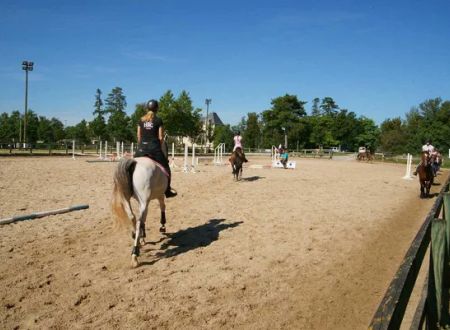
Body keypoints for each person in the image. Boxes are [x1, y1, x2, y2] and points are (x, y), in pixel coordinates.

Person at [134, 99, 177, 198]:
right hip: (154, 149)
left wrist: (142, 145)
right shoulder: (158, 120)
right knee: (166, 167)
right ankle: (168, 190)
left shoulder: (141, 120)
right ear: (156, 108)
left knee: (131, 165)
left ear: (147, 108)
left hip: (141, 149)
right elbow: (161, 137)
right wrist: (158, 144)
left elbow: (138, 136)